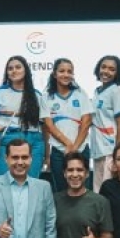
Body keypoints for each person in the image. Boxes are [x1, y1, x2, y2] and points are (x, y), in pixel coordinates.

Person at [0, 56, 47, 178]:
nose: (14, 71)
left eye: (18, 67)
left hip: (33, 141)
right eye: (10, 68)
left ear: (26, 70)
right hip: (6, 140)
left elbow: (45, 127)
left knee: (31, 183)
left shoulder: (37, 95)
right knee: (3, 182)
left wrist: (47, 155)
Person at [43, 58, 93, 191]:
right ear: (54, 74)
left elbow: (86, 122)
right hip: (58, 151)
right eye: (62, 71)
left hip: (81, 149)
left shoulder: (80, 93)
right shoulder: (46, 96)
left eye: (69, 72)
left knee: (83, 190)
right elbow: (49, 126)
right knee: (61, 191)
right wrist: (68, 144)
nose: (66, 74)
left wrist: (74, 148)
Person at [89, 56, 120, 190]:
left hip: (110, 150)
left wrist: (118, 154)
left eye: (112, 69)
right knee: (98, 191)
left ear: (117, 73)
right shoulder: (96, 92)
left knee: (109, 189)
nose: (106, 71)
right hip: (98, 149)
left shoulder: (116, 92)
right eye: (103, 67)